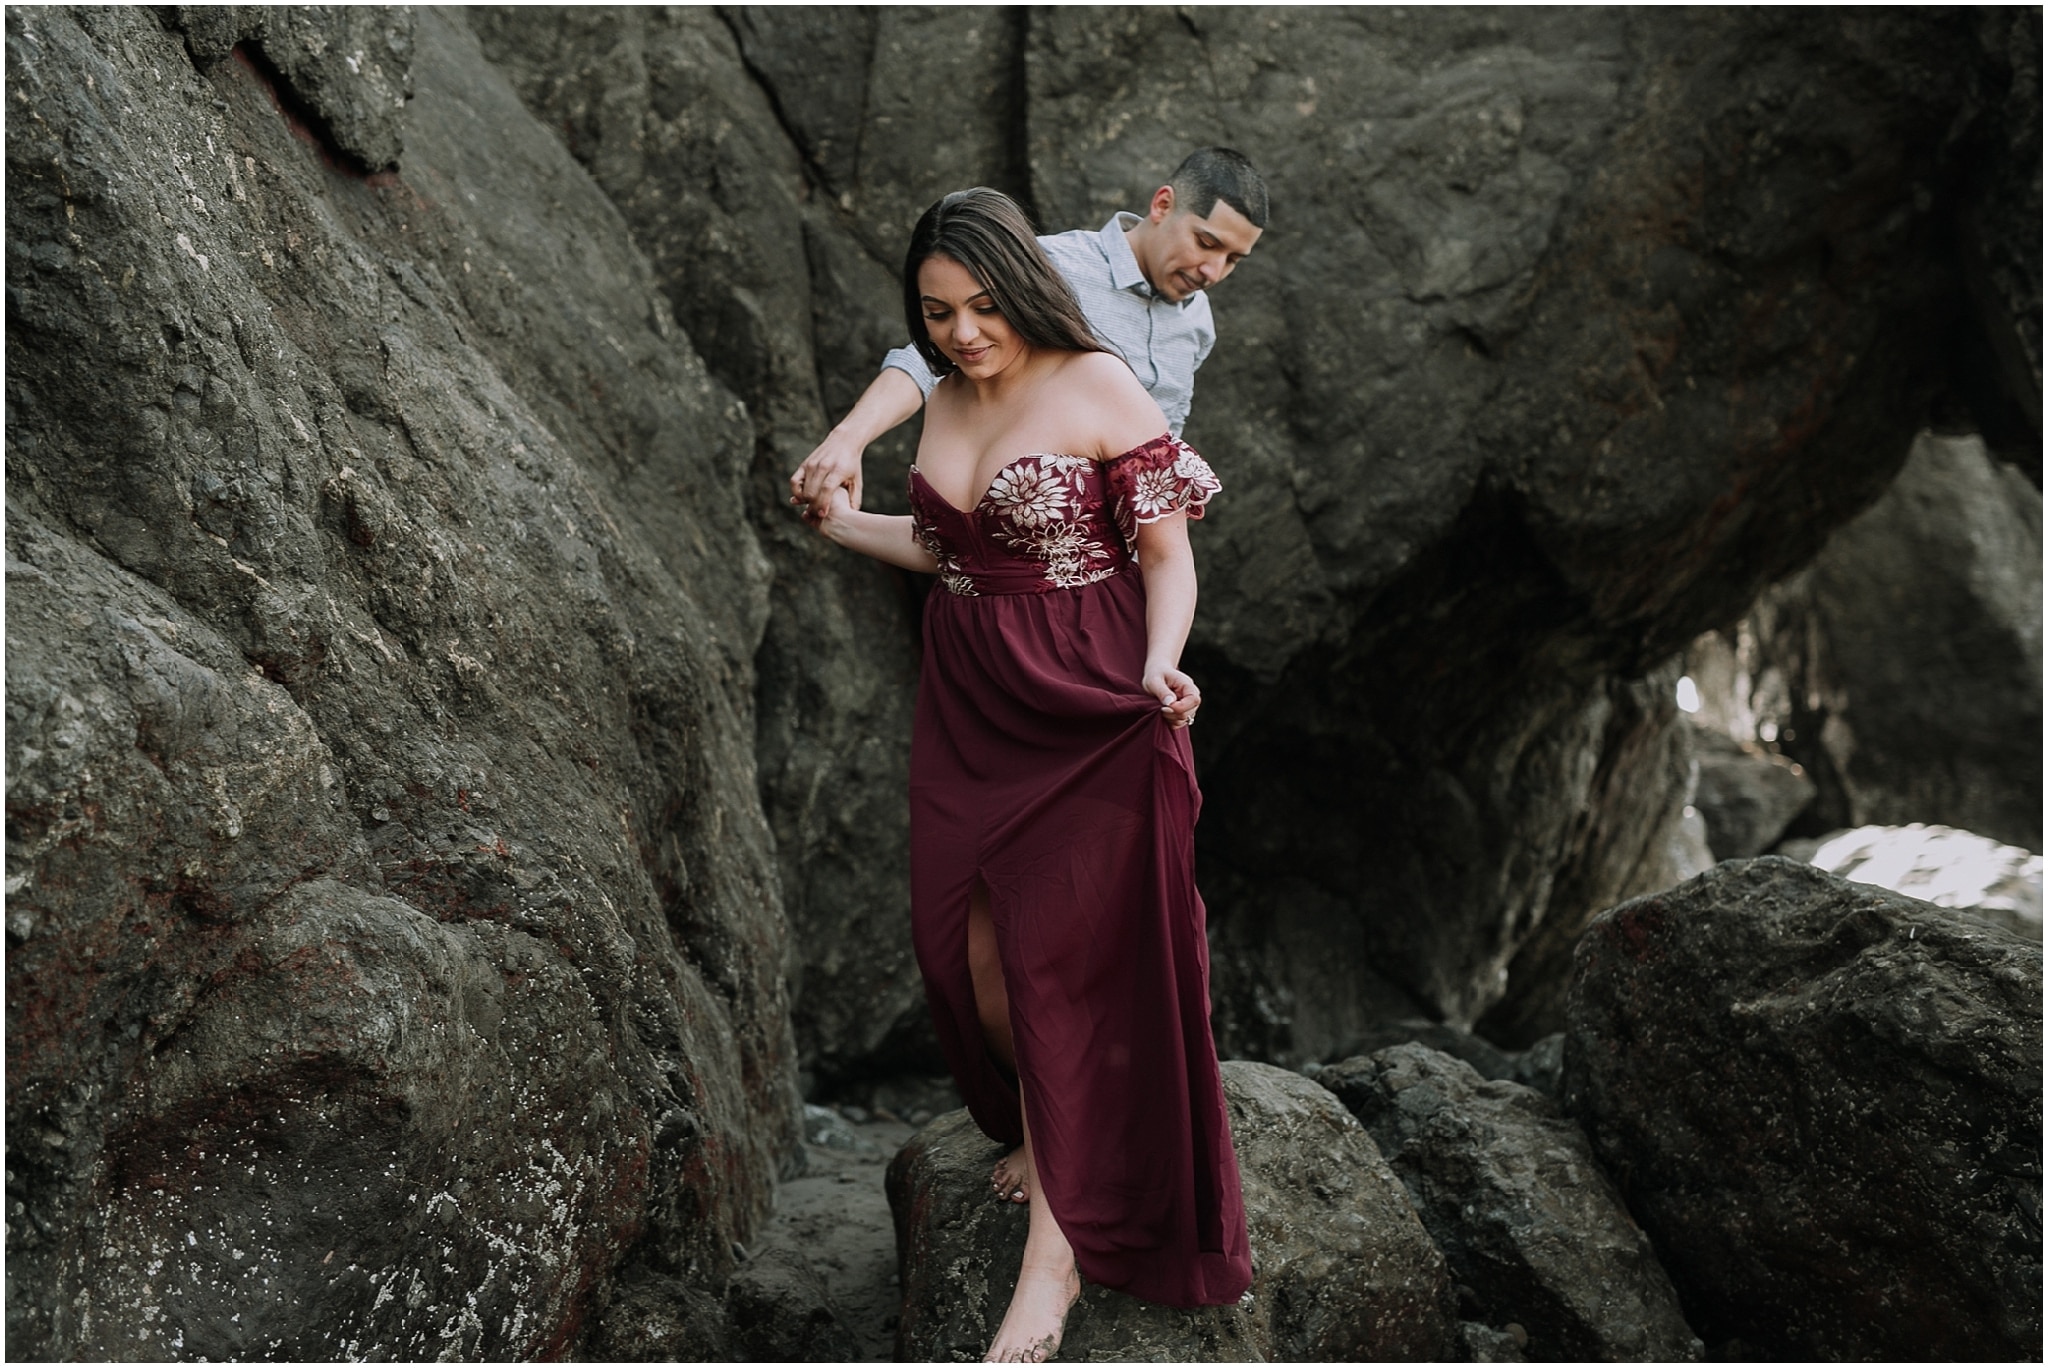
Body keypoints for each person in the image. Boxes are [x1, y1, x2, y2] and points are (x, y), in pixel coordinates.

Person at [802, 187, 1253, 1361]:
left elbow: (1167, 556)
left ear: (1024, 287)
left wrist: (1161, 665)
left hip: (1097, 694)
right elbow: (950, 550)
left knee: (1067, 967)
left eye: (982, 306)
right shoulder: (944, 401)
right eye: (938, 311)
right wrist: (841, 523)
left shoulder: (1098, 382)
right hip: (970, 702)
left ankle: (1046, 1282)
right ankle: (1059, 1125)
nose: (961, 332)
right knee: (970, 956)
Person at [788, 148, 1268, 518]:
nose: (1213, 270)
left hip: (1131, 564)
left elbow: (1168, 441)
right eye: (1206, 243)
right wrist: (847, 440)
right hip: (1026, 546)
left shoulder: (1198, 320)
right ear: (1163, 204)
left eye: (1233, 260)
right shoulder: (1050, 265)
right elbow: (933, 356)